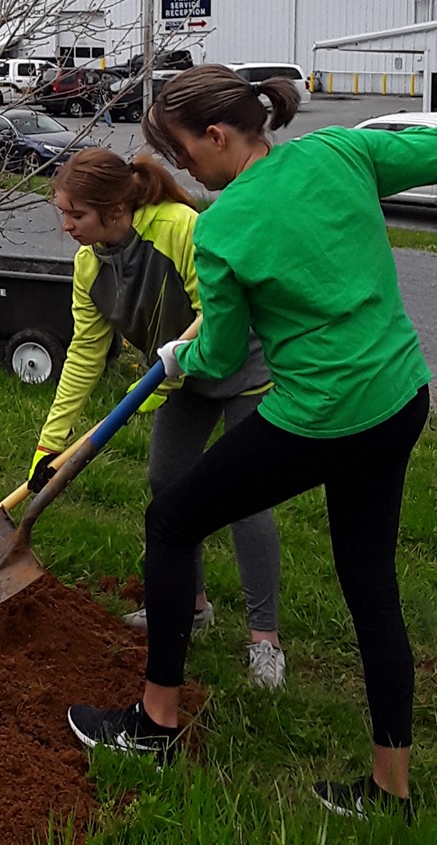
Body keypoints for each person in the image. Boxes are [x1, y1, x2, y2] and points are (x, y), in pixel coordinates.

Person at [66, 66, 437, 819]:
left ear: (219, 136)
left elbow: (223, 358)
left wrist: (175, 358)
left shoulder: (227, 227)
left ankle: (154, 724)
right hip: (398, 397)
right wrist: (391, 138)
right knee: (372, 588)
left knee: (171, 521)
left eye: (185, 154)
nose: (184, 171)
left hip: (320, 419)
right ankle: (389, 789)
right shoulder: (341, 152)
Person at [30, 147, 287, 688]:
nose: (66, 224)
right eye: (63, 212)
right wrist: (49, 445)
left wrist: (155, 384)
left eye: (75, 213)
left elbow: (214, 315)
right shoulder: (89, 264)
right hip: (181, 376)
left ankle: (266, 641)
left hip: (244, 369)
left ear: (115, 210)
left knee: (244, 494)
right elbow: (83, 353)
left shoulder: (179, 227)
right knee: (166, 485)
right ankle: (190, 607)